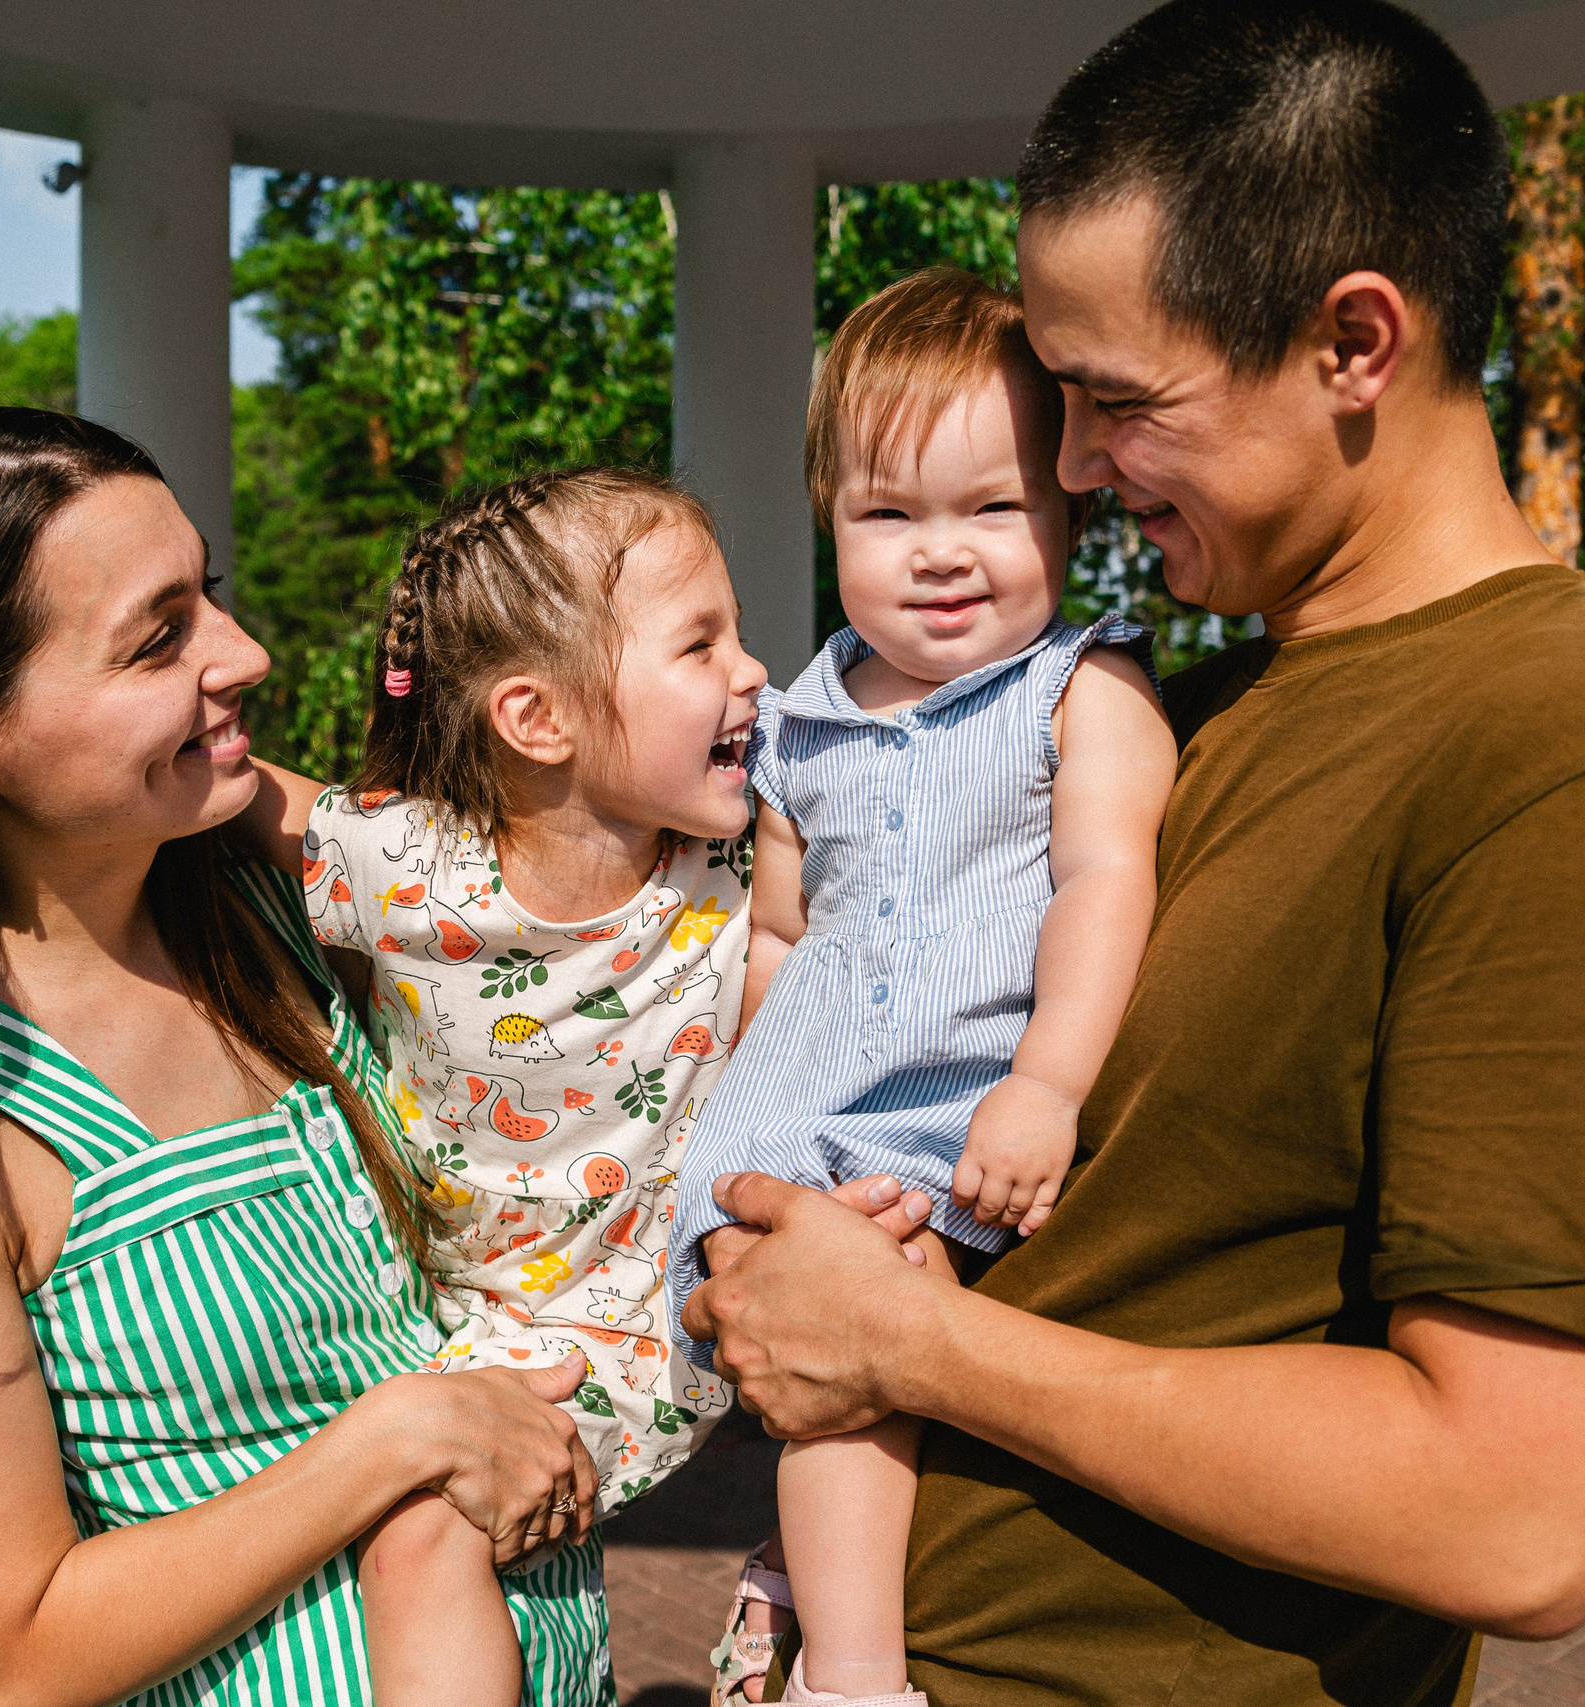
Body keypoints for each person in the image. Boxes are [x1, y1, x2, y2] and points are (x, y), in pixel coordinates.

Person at [681, 4, 1585, 1704]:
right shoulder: (1163, 707)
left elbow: (1521, 1511)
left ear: (1353, 340)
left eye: (1114, 401)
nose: (1068, 468)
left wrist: (915, 1343)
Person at [0, 407, 614, 1707]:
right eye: (158, 636)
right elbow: (16, 1648)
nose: (247, 650)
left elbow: (563, 920)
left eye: (208, 592)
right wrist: (402, 1435)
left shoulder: (275, 913)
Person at [664, 269, 1174, 1707]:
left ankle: (848, 1662)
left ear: (1069, 514)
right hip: (806, 1104)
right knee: (817, 1345)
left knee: (872, 1348)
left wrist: (1050, 1079)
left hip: (959, 1100)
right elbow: (777, 927)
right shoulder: (802, 714)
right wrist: (740, 1084)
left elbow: (1104, 882)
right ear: (831, 516)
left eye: (994, 508)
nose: (942, 555)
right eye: (891, 514)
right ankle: (828, 1609)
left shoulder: (1083, 687)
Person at [230, 468, 767, 1706]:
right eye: (701, 643)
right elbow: (236, 800)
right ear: (536, 720)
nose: (751, 673)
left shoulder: (742, 846)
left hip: (640, 1331)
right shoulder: (410, 866)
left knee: (421, 1535)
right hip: (427, 1321)